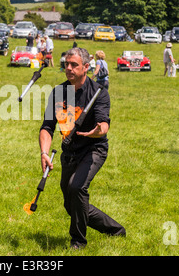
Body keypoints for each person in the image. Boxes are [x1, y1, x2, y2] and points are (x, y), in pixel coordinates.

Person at [39, 47, 125, 250]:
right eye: (66, 64)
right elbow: (47, 127)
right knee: (71, 205)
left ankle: (78, 242)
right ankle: (115, 230)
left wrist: (98, 130)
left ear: (86, 67)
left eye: (74, 65)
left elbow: (104, 124)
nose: (68, 68)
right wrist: (44, 152)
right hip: (69, 152)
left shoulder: (98, 93)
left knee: (77, 187)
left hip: (94, 148)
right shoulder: (59, 92)